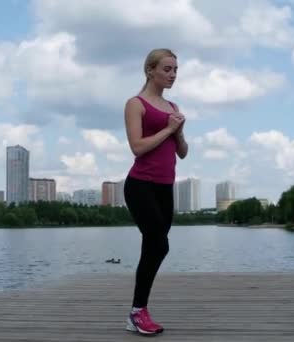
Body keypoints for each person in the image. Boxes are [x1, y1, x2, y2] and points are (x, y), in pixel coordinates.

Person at [123, 48, 188, 336]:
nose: (172, 74)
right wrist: (167, 129)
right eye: (167, 69)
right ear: (150, 70)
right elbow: (137, 148)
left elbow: (183, 153)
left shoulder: (173, 108)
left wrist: (179, 131)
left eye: (175, 69)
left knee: (153, 246)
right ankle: (138, 312)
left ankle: (138, 313)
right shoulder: (135, 104)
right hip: (140, 185)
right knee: (159, 244)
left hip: (164, 188)